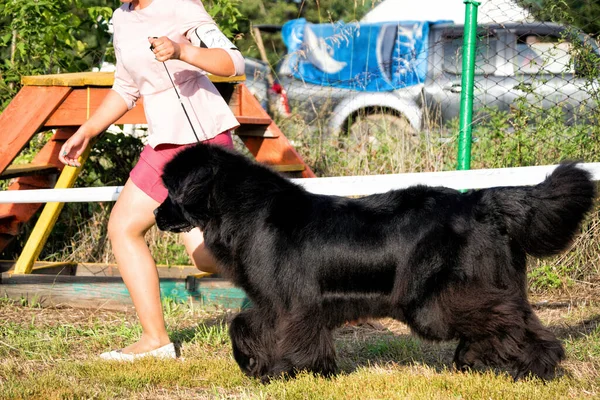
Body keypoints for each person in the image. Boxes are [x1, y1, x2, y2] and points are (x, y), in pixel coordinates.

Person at [59, 0, 245, 361]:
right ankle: (155, 340)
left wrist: (182, 50)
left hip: (199, 139)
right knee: (125, 227)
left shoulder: (179, 5)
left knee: (206, 257)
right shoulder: (121, 17)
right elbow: (126, 86)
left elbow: (233, 63)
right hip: (163, 144)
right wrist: (88, 130)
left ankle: (295, 272)